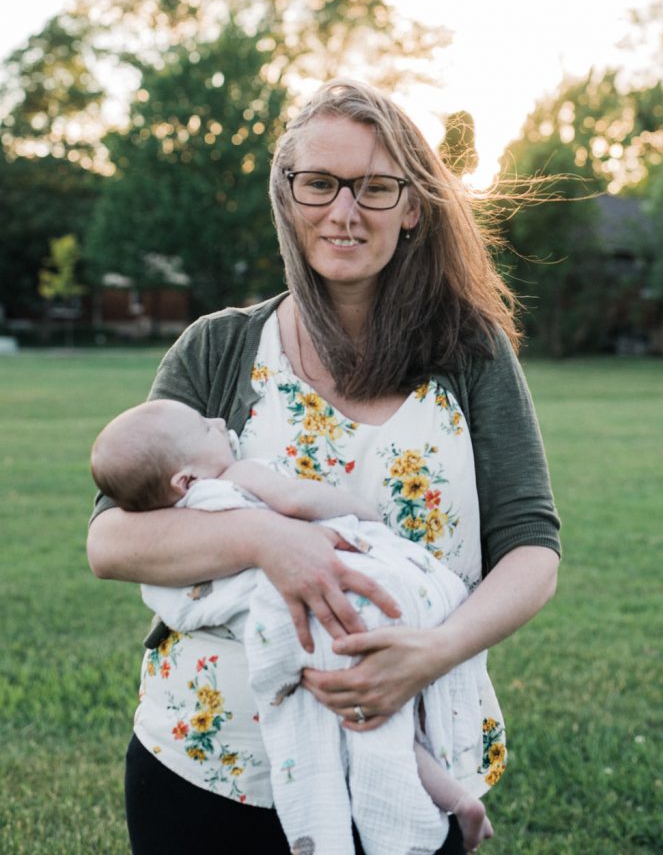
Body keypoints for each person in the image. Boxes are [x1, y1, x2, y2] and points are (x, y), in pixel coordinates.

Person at [87, 78, 561, 855]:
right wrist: (271, 543)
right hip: (209, 765)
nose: (344, 211)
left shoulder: (470, 352)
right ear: (286, 194)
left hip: (413, 760)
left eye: (375, 187)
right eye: (319, 183)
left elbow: (532, 549)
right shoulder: (218, 347)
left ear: (413, 206)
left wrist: (432, 652)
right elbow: (111, 543)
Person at [90, 397, 495, 854]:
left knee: (369, 723)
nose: (220, 420)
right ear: (186, 479)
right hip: (330, 606)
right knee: (374, 711)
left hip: (286, 648)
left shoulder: (175, 515)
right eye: (206, 428)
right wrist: (360, 513)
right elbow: (298, 500)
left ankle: (447, 800)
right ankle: (452, 799)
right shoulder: (237, 477)